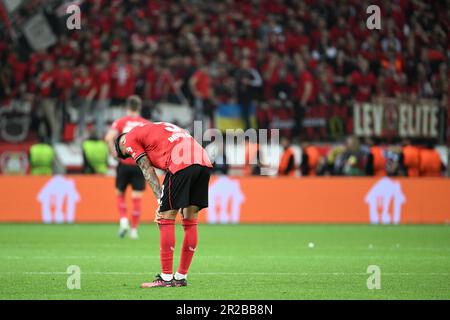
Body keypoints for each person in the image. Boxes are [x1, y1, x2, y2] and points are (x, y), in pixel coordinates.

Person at [114, 121, 212, 287]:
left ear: (122, 143)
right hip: (203, 161)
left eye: (127, 153)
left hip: (181, 162)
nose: (131, 155)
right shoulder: (155, 128)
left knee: (165, 217)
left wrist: (159, 198)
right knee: (190, 220)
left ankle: (166, 278)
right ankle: (181, 277)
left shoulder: (129, 138)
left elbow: (146, 168)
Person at [105, 96, 150, 239]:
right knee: (136, 197)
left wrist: (113, 152)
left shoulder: (120, 122)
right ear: (140, 107)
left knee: (120, 193)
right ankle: (134, 230)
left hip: (123, 164)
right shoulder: (146, 124)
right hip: (138, 164)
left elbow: (108, 138)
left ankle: (123, 221)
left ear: (127, 107)